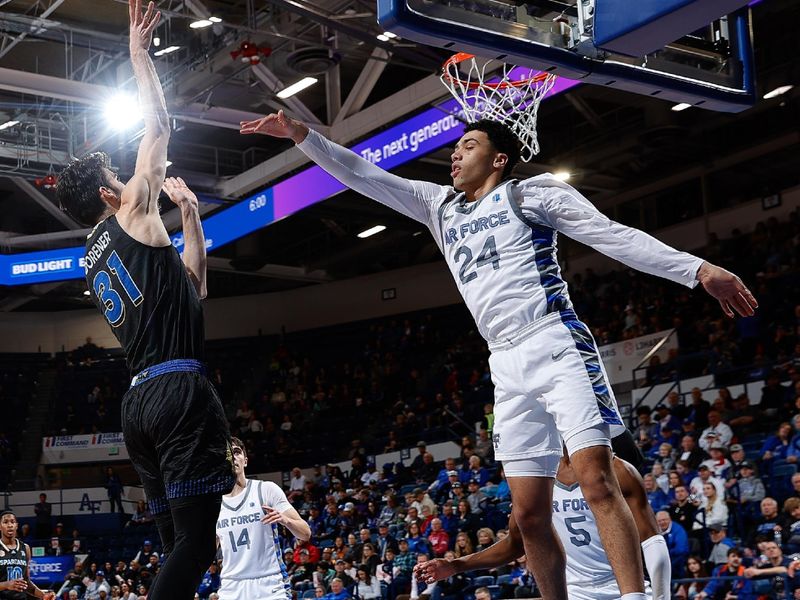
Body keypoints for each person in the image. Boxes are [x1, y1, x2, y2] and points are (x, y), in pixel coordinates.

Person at [241, 110, 756, 600]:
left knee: (597, 479)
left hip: (553, 342)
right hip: (503, 363)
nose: (455, 155)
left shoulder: (530, 195)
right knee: (530, 515)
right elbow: (363, 175)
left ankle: (633, 595)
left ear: (499, 159)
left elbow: (610, 235)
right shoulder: (438, 205)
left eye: (469, 146)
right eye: (456, 147)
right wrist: (303, 136)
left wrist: (698, 270)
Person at [55, 3, 236, 598]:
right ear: (112, 192)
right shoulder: (130, 209)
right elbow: (159, 127)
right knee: (197, 543)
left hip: (138, 404)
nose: (134, 181)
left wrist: (190, 216)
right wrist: (138, 53)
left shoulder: (95, 254)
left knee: (175, 544)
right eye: (122, 176)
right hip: (179, 391)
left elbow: (193, 289)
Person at [415, 452, 671, 600]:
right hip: (574, 593)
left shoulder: (617, 469)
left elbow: (652, 542)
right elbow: (516, 542)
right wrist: (456, 564)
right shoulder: (535, 480)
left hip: (627, 589)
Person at [216, 436, 311, 600]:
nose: (232, 457)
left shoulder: (266, 490)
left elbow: (305, 533)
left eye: (236, 452)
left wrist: (285, 520)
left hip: (270, 583)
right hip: (231, 586)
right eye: (227, 454)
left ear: (245, 460)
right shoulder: (213, 504)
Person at [0, 509, 56, 599]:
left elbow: (26, 583)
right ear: (0, 526)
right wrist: (6, 585)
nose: (9, 525)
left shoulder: (25, 548)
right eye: (5, 522)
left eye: (12, 522)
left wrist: (43, 595)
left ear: (16, 525)